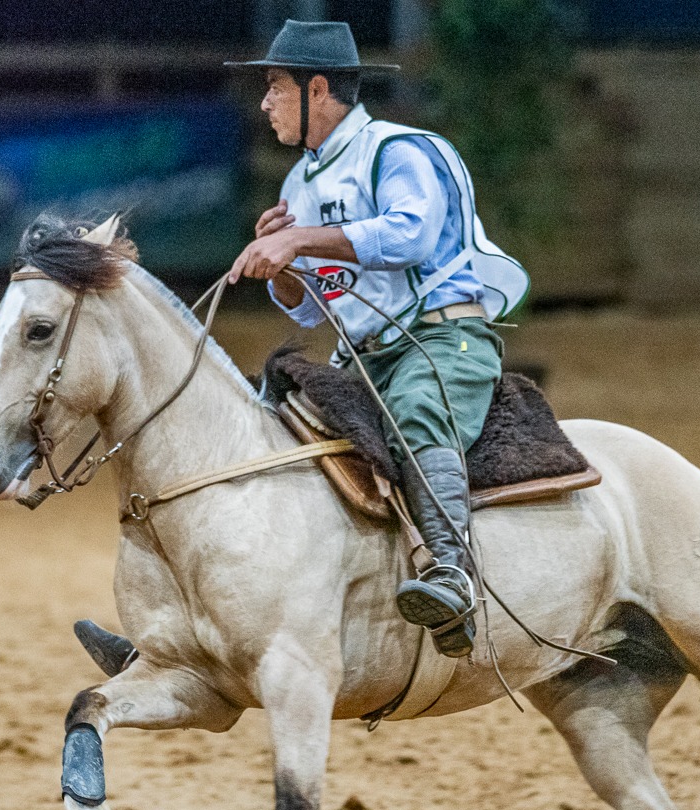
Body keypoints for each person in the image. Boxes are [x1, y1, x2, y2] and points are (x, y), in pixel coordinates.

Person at [226, 20, 529, 659]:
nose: (265, 102)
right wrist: (283, 273)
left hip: (440, 341)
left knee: (419, 413)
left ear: (317, 89)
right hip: (360, 356)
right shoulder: (298, 186)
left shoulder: (400, 151)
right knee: (268, 430)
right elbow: (310, 310)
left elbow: (410, 236)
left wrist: (297, 241)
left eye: (275, 86)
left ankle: (452, 571)